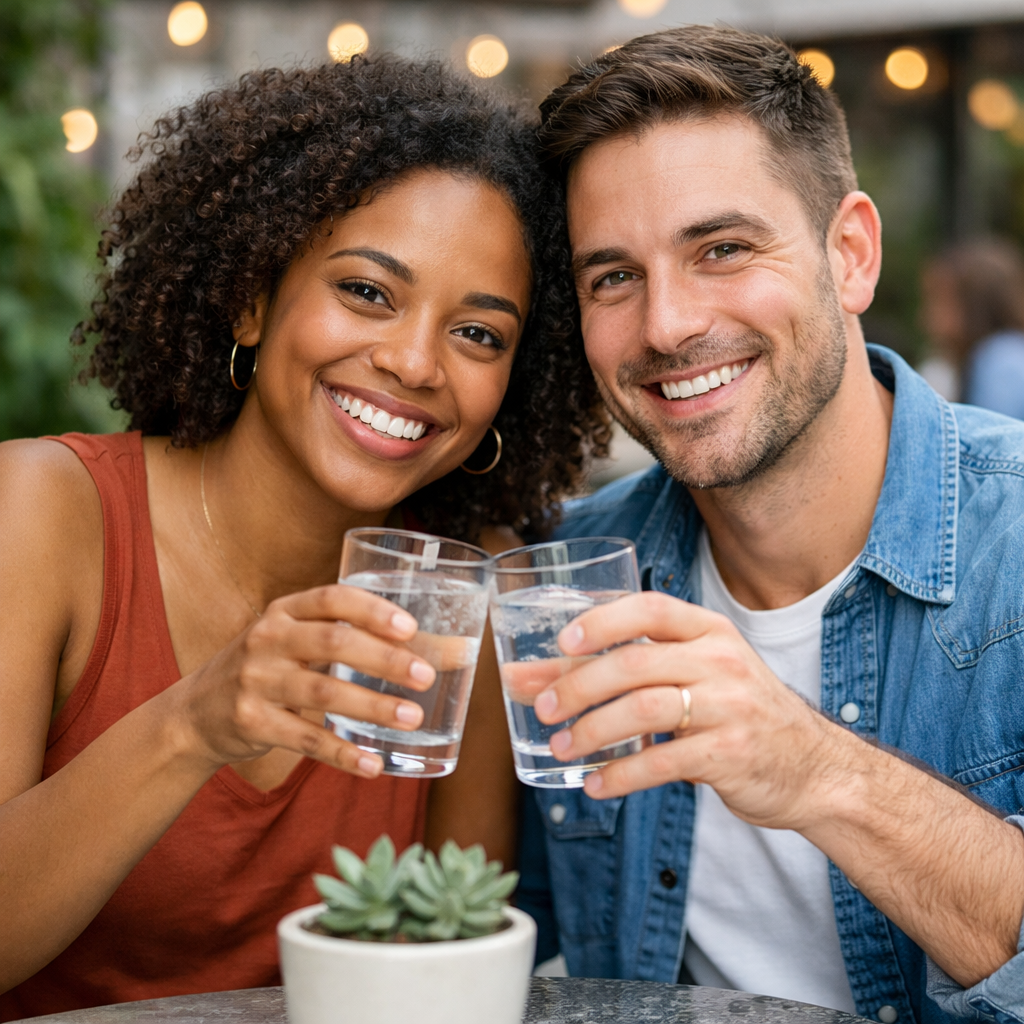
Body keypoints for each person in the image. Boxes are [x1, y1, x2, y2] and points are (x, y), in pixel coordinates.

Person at [0, 55, 608, 1016]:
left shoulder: (467, 596)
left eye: (479, 335)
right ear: (252, 297)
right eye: (368, 291)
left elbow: (451, 961)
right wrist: (196, 722)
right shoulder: (42, 512)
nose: (412, 362)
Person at [517, 25, 1024, 1024]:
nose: (665, 324)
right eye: (612, 276)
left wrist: (812, 768)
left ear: (851, 255)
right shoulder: (563, 584)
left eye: (722, 248)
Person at [920, 237, 1024, 419]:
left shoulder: (1001, 360)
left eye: (939, 300)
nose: (925, 317)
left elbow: (996, 438)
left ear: (972, 304)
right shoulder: (999, 353)